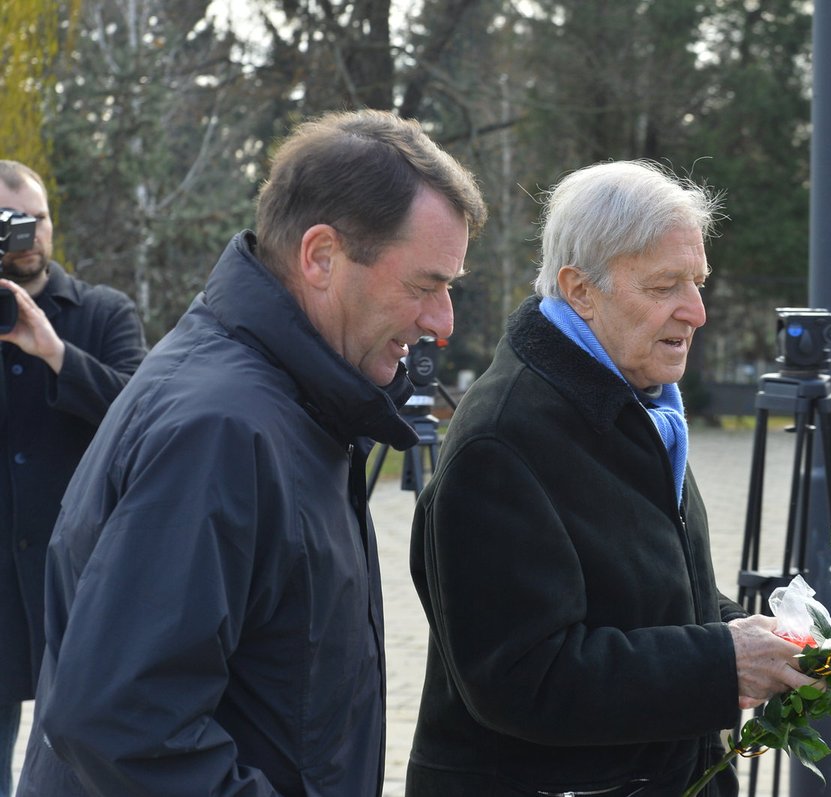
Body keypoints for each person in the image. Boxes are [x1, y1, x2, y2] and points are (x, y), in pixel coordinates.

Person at [16, 110, 487, 796]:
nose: (442, 322)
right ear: (321, 256)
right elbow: (123, 724)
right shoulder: (222, 429)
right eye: (424, 285)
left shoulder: (293, 402)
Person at [408, 160, 817, 796]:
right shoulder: (504, 439)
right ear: (580, 290)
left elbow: (651, 593)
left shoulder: (638, 401)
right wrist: (723, 662)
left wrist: (760, 638)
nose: (697, 311)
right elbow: (522, 678)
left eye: (698, 282)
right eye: (664, 287)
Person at [0, 161, 146, 797]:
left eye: (33, 220)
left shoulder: (103, 312)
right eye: (8, 226)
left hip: (83, 577)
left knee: (83, 766)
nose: (24, 238)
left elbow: (145, 415)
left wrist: (54, 351)